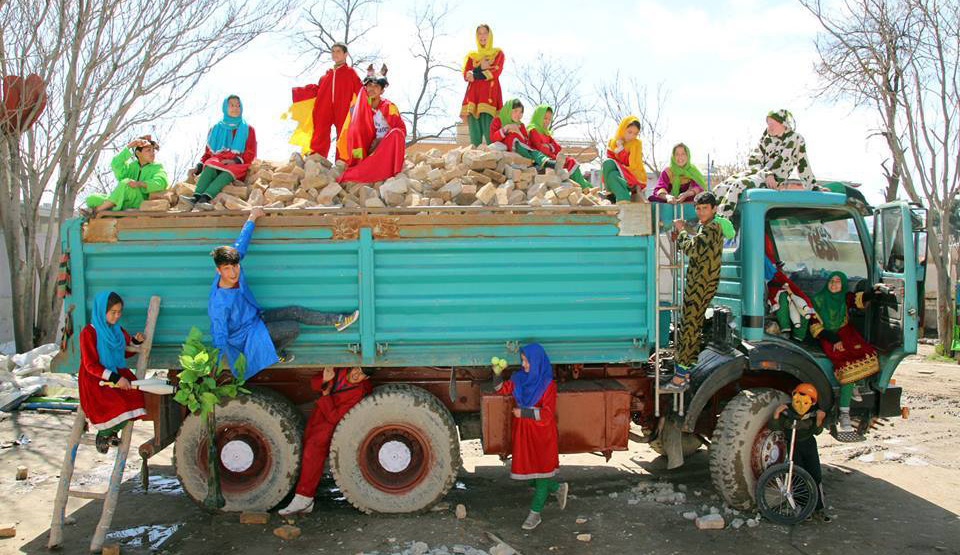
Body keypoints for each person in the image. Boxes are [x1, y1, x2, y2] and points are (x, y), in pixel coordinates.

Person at [208, 207, 359, 379]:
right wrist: (214, 367)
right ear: (218, 270)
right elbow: (219, 334)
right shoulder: (219, 303)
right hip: (247, 336)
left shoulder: (235, 264)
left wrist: (253, 216)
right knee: (292, 328)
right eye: (227, 269)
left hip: (256, 319)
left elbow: (240, 244)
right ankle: (274, 352)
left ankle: (338, 320)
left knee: (295, 311)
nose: (233, 272)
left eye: (235, 266)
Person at [662, 192, 735, 391]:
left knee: (689, 326)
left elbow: (694, 249)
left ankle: (680, 377)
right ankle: (686, 368)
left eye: (705, 208)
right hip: (699, 282)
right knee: (690, 325)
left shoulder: (712, 227)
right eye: (698, 208)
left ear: (714, 209)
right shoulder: (709, 226)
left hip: (701, 284)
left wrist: (681, 231)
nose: (701, 212)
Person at [279, 366, 373, 516]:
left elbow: (335, 417)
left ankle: (304, 497)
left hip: (327, 426)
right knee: (306, 451)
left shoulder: (357, 392)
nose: (357, 375)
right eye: (357, 369)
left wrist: (326, 395)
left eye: (362, 375)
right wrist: (324, 380)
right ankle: (302, 498)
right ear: (352, 367)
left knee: (313, 453)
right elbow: (314, 382)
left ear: (366, 379)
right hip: (318, 419)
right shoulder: (337, 372)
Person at [493, 344, 568, 530]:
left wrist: (524, 413)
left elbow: (548, 414)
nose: (524, 365)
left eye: (527, 361)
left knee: (541, 474)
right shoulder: (519, 378)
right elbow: (501, 389)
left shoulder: (548, 384)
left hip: (542, 435)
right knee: (532, 472)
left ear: (536, 362)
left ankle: (535, 514)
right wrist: (496, 373)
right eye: (523, 360)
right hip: (524, 433)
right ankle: (558, 489)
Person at [808, 271, 887, 439]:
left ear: (843, 284)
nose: (834, 284)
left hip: (847, 333)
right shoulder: (818, 300)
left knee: (869, 354)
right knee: (847, 369)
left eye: (838, 282)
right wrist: (833, 338)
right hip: (828, 336)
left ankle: (854, 386)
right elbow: (814, 325)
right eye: (832, 281)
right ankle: (845, 414)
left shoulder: (845, 296)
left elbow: (859, 300)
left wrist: (873, 292)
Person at [78, 291, 147, 454]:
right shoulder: (88, 332)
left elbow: (123, 353)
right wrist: (115, 378)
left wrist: (135, 342)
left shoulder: (117, 330)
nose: (117, 316)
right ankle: (104, 434)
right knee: (117, 404)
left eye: (119, 312)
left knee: (136, 398)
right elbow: (90, 364)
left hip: (115, 373)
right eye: (113, 312)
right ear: (102, 311)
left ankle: (109, 433)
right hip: (96, 379)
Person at [714, 109, 817, 219]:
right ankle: (709, 221)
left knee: (738, 185)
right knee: (720, 188)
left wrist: (814, 187)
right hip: (758, 174)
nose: (769, 127)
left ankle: (721, 225)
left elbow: (803, 164)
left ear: (783, 124)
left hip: (774, 182)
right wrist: (767, 174)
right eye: (768, 123)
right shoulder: (765, 139)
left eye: (772, 124)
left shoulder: (796, 139)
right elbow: (754, 161)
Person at [769, 383, 831, 522]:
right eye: (798, 400)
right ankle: (804, 510)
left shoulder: (814, 413)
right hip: (793, 446)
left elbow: (817, 432)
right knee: (798, 476)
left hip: (809, 445)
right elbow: (775, 427)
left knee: (815, 475)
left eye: (806, 400)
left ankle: (819, 509)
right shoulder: (787, 411)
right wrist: (777, 413)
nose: (801, 404)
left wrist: (819, 420)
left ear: (812, 402)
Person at [288, 43, 362, 159]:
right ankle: (317, 157)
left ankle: (343, 160)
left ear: (345, 54)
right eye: (333, 51)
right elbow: (318, 91)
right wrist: (299, 92)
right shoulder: (326, 77)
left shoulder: (350, 73)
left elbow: (360, 90)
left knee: (344, 133)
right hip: (324, 107)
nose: (335, 54)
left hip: (343, 107)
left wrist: (368, 103)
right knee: (320, 130)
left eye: (338, 51)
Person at [336, 65, 406, 184]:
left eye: (376, 86)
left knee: (397, 134)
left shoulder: (389, 107)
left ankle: (390, 171)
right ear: (365, 87)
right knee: (355, 130)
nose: (372, 89)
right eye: (369, 86)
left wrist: (380, 140)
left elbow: (400, 131)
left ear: (382, 90)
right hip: (363, 150)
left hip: (383, 148)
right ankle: (359, 166)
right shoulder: (356, 109)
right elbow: (349, 134)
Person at [185, 95, 257, 209]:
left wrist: (234, 161)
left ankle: (205, 198)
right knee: (210, 165)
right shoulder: (215, 129)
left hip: (238, 164)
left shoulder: (248, 129)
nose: (235, 108)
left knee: (228, 172)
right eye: (232, 105)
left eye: (238, 105)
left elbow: (250, 152)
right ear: (225, 108)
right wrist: (198, 167)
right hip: (218, 161)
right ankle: (195, 197)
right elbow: (208, 154)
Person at [85, 136, 168, 214]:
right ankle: (114, 206)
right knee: (91, 199)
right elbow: (116, 164)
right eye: (148, 150)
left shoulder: (157, 167)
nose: (152, 153)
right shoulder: (132, 166)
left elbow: (161, 182)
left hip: (140, 202)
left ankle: (97, 210)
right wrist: (130, 146)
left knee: (126, 183)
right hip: (124, 200)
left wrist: (139, 184)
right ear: (138, 153)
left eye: (153, 150)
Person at [527, 105, 591, 189]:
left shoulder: (546, 133)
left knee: (570, 161)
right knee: (570, 162)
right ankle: (584, 187)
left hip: (552, 157)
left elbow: (558, 148)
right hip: (542, 160)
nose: (547, 121)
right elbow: (540, 148)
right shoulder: (533, 130)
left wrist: (548, 146)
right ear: (538, 116)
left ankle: (585, 187)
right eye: (545, 118)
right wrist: (550, 148)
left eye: (549, 119)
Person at [460, 24, 504, 146]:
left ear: (490, 36)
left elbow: (496, 71)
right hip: (473, 97)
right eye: (479, 33)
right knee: (474, 131)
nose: (482, 36)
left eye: (485, 33)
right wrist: (479, 68)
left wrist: (475, 74)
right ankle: (473, 159)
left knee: (490, 130)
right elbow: (466, 76)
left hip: (489, 96)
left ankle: (493, 160)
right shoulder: (471, 56)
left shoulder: (497, 54)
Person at [489, 99, 557, 171]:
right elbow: (493, 138)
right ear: (508, 110)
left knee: (523, 145)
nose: (518, 115)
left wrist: (518, 132)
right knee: (513, 137)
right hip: (509, 146)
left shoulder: (521, 125)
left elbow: (527, 142)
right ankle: (541, 162)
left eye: (521, 112)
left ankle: (542, 162)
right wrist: (506, 128)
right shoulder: (497, 121)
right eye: (515, 111)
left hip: (521, 147)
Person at [602, 117, 647, 203]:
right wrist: (617, 146)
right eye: (629, 132)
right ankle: (611, 193)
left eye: (635, 134)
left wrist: (621, 149)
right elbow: (611, 159)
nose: (632, 136)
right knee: (608, 166)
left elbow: (631, 164)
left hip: (633, 174)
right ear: (623, 129)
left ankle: (622, 197)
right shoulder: (613, 142)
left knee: (612, 172)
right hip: (618, 173)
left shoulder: (636, 144)